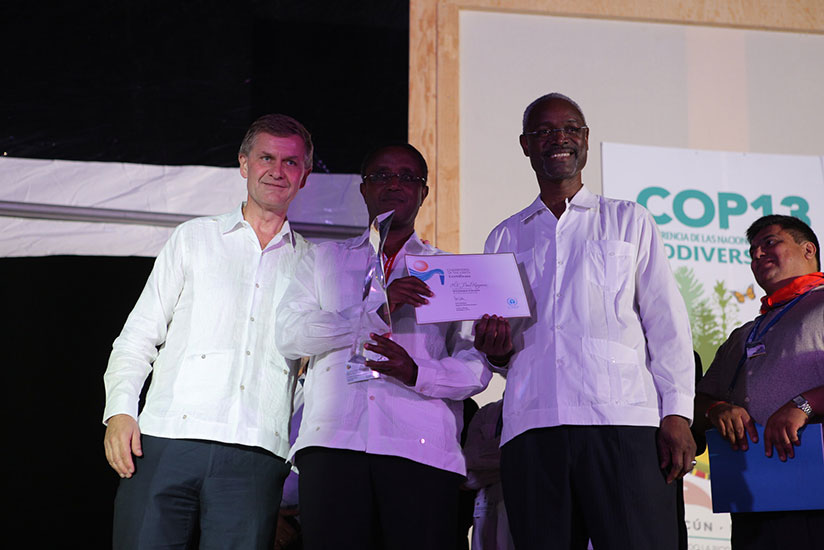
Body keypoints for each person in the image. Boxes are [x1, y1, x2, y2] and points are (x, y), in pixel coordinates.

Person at [473, 93, 696, 549]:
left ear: (586, 140)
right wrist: (496, 351)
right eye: (544, 131)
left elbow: (667, 323)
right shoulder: (504, 235)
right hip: (532, 425)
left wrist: (676, 413)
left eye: (571, 128)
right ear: (525, 145)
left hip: (622, 422)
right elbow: (503, 347)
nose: (559, 138)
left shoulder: (628, 220)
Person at [102, 113, 313, 549]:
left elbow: (313, 372)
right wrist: (121, 410)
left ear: (305, 175)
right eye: (266, 157)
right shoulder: (194, 239)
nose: (277, 170)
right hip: (167, 440)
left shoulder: (313, 265)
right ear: (243, 164)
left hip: (256, 453)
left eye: (291, 162)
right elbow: (139, 334)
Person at [275, 143, 491, 550]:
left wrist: (418, 373)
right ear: (363, 188)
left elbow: (475, 366)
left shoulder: (451, 271)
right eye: (382, 175)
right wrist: (377, 306)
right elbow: (291, 333)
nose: (395, 184)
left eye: (408, 177)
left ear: (424, 192)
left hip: (421, 448)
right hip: (334, 444)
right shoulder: (324, 260)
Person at [695, 214, 824, 549]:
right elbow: (698, 401)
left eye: (769, 242)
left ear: (808, 249)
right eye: (751, 251)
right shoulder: (743, 334)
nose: (757, 255)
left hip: (817, 492)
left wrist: (805, 403)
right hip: (756, 495)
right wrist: (717, 409)